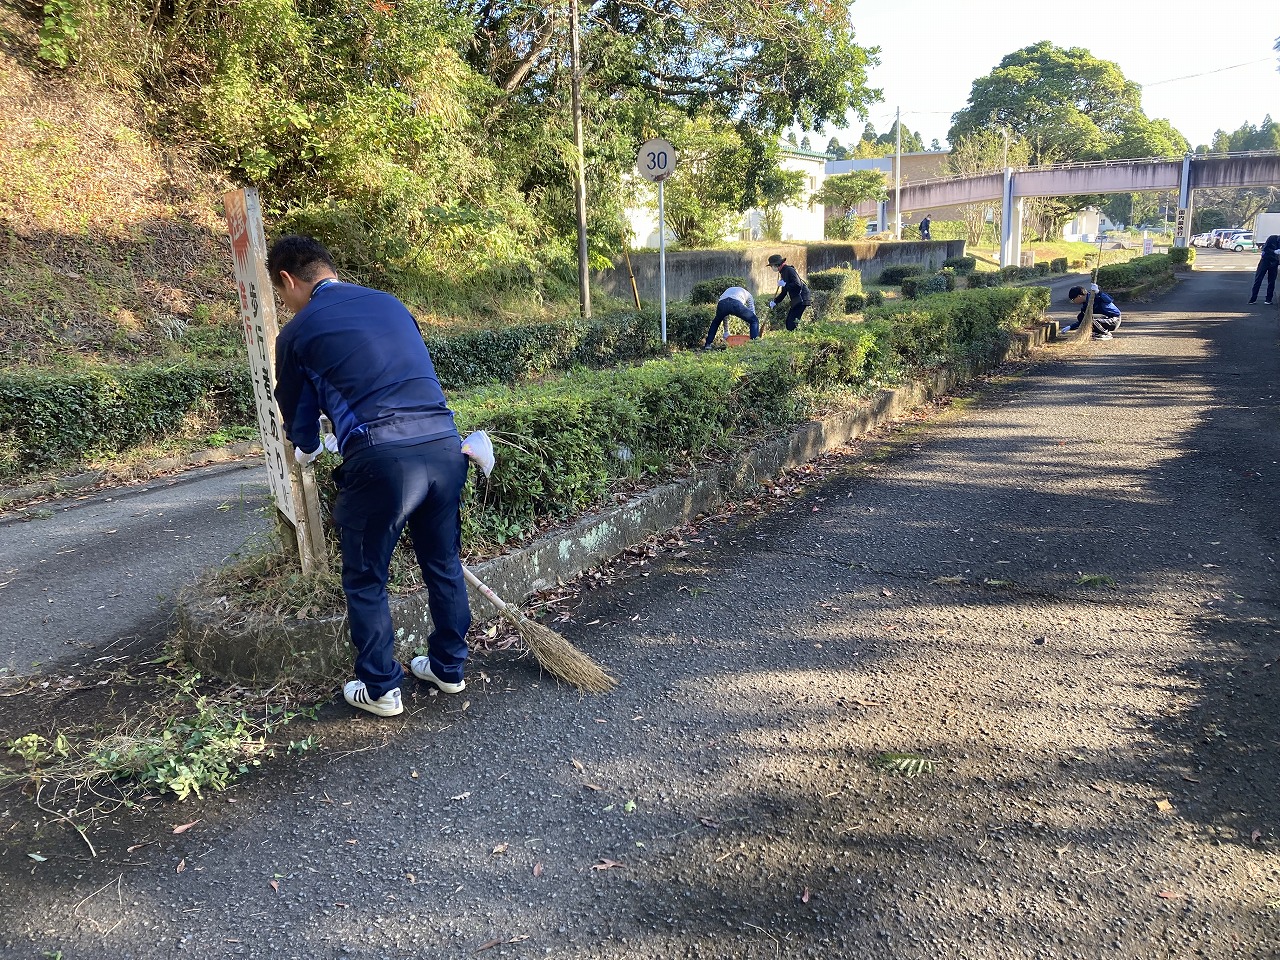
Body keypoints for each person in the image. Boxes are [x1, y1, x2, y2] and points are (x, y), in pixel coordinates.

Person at [269, 235, 471, 718]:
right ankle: (448, 668)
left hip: (383, 459)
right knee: (443, 562)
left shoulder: (297, 333)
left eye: (281, 294)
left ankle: (381, 688)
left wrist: (309, 447)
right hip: (445, 445)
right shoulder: (389, 303)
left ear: (288, 280)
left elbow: (298, 414)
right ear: (330, 269)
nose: (285, 303)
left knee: (365, 576)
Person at [701, 285, 760, 349]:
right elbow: (752, 312)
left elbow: (725, 315)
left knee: (716, 322)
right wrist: (753, 326)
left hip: (722, 303)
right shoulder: (748, 295)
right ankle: (755, 343)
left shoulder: (730, 289)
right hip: (735, 304)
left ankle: (707, 344)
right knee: (754, 320)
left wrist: (726, 331)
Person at [766, 254, 811, 331]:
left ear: (777, 264)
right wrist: (775, 301)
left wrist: (785, 284)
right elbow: (784, 292)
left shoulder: (789, 270)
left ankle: (798, 336)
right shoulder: (783, 272)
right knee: (789, 323)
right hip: (797, 299)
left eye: (771, 266)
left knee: (791, 324)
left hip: (802, 298)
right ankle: (797, 334)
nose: (772, 268)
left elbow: (797, 285)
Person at [1249, 234, 1279, 305]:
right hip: (1265, 260)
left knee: (1271, 281)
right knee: (1258, 279)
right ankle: (1253, 299)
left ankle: (1268, 299)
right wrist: (1274, 251)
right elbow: (1265, 248)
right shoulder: (1272, 238)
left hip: (1274, 262)